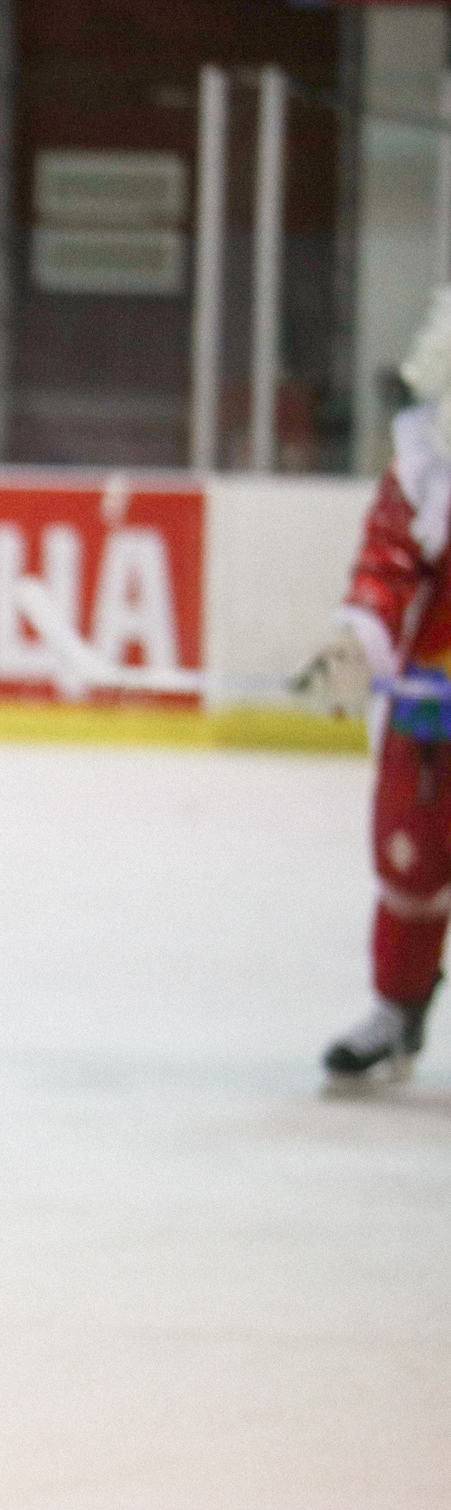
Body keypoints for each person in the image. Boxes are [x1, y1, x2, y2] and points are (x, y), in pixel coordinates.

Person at [297, 291, 451, 1086]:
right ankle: (397, 1007)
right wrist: (357, 640)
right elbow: (388, 562)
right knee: (411, 860)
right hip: (435, 715)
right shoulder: (430, 456)